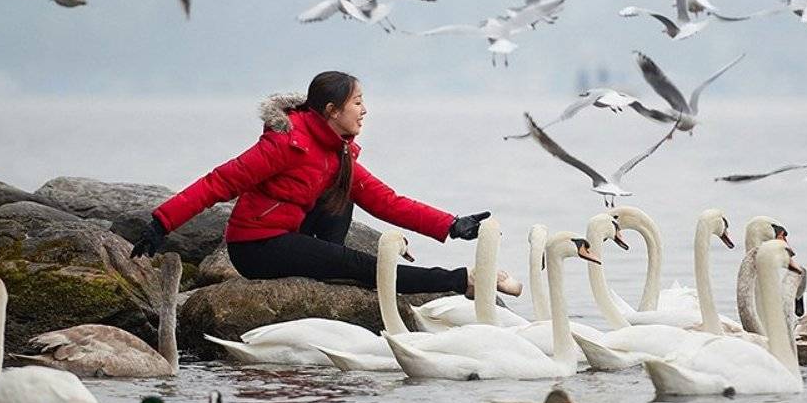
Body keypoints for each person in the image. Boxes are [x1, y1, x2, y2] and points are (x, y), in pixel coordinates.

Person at [128, 71, 517, 299]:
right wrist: (161, 223)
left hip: (294, 230)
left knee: (346, 193)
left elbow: (386, 201)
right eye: (357, 103)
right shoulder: (285, 143)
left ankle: (327, 263)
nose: (365, 111)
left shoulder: (338, 151)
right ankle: (461, 281)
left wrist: (450, 224)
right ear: (332, 111)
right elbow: (219, 182)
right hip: (258, 246)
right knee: (364, 265)